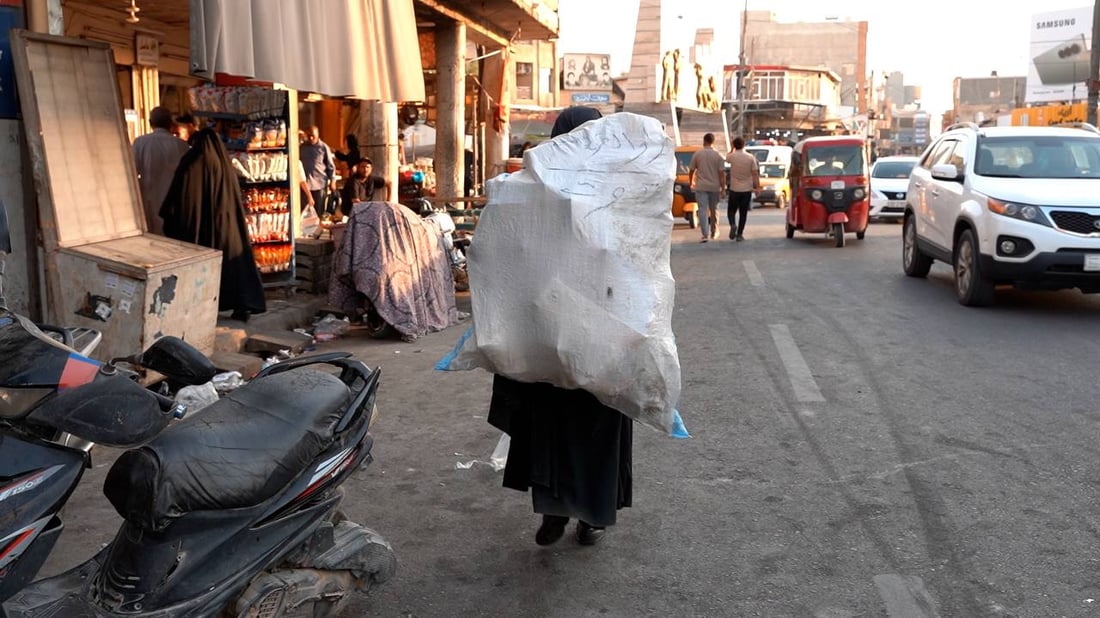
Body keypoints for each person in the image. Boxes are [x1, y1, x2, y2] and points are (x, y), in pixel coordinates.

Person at [489, 106, 632, 548]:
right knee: (598, 425)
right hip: (602, 330)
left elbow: (508, 252)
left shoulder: (533, 185)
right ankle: (591, 517)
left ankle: (553, 508)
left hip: (545, 327)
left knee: (549, 421)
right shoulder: (616, 185)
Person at [159, 129, 266, 322]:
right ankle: (242, 305)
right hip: (227, 225)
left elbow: (179, 198)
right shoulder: (224, 165)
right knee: (233, 267)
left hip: (201, 228)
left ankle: (202, 307)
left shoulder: (191, 163)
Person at [132, 106, 190, 235]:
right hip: (175, 201)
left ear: (150, 123)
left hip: (148, 197)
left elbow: (132, 173)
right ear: (170, 124)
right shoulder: (181, 145)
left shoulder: (140, 143)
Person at [688, 132, 727, 242]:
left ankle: (705, 234)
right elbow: (722, 174)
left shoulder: (697, 154)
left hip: (701, 186)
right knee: (714, 210)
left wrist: (691, 182)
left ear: (704, 141)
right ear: (713, 142)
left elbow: (691, 171)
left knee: (702, 210)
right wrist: (723, 188)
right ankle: (714, 232)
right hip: (714, 187)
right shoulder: (718, 155)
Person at [726, 136, 761, 241]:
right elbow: (755, 174)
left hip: (734, 188)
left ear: (734, 145)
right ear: (744, 145)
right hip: (746, 190)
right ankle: (740, 234)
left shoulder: (732, 156)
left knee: (731, 210)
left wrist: (732, 148)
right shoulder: (750, 158)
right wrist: (757, 187)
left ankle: (732, 224)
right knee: (743, 212)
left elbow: (727, 158)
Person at [300, 126, 336, 216]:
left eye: (313, 136)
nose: (311, 138)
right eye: (309, 136)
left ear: (317, 135)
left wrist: (332, 181)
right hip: (305, 184)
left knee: (318, 211)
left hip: (319, 184)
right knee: (305, 212)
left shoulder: (323, 147)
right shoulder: (302, 147)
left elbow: (330, 166)